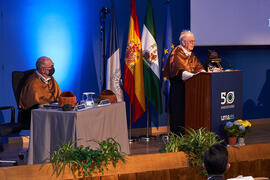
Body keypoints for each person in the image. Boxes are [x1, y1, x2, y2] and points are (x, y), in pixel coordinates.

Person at [163, 30, 204, 135]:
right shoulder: (176, 53)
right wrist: (195, 76)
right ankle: (178, 140)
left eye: (194, 41)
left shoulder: (190, 55)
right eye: (191, 41)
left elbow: (199, 68)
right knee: (179, 117)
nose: (193, 43)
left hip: (190, 91)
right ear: (183, 42)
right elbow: (181, 73)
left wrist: (205, 74)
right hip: (179, 91)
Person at [19, 57, 61, 128]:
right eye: (50, 67)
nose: (52, 68)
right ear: (42, 70)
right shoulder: (33, 82)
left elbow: (58, 95)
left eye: (53, 65)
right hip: (34, 114)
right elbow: (36, 103)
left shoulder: (50, 78)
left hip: (51, 110)